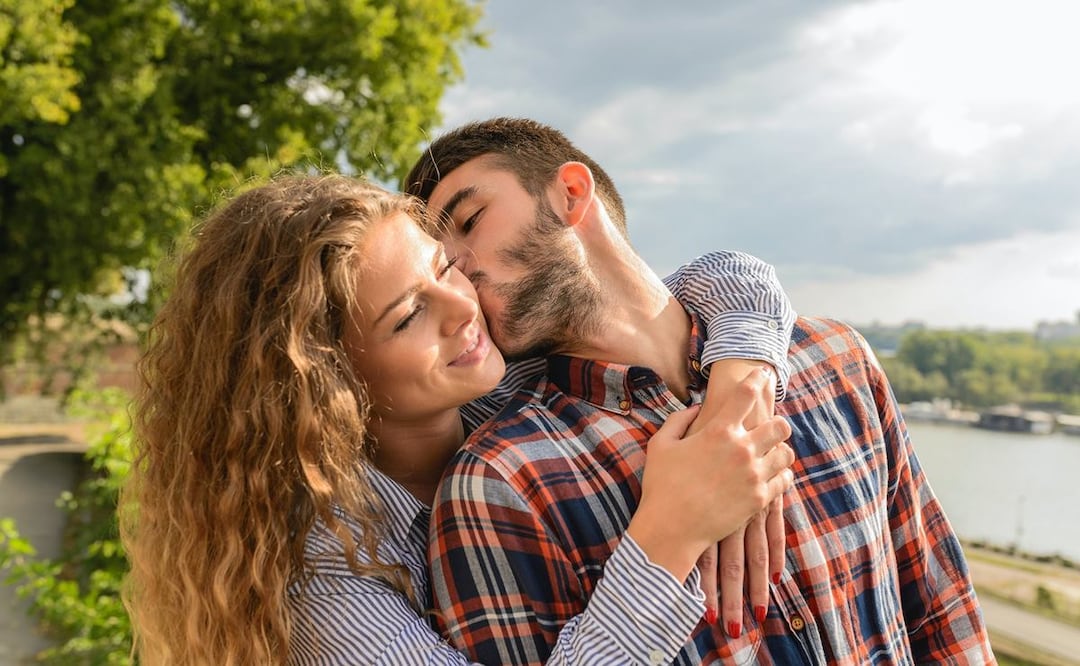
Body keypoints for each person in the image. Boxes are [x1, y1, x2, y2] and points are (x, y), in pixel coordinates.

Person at [120, 173, 799, 665]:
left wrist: (739, 391)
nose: (462, 306)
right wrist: (668, 536)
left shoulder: (505, 382)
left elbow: (720, 279)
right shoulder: (323, 572)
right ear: (327, 381)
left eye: (446, 266)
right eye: (410, 315)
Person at [405, 117, 996, 665]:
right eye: (440, 263)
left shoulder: (837, 360)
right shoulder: (497, 484)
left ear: (571, 194)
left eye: (469, 220)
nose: (458, 267)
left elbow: (942, 614)